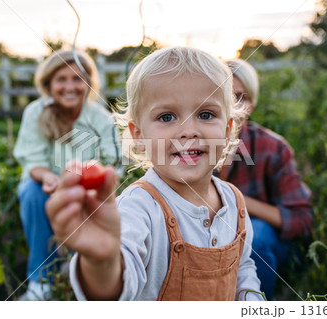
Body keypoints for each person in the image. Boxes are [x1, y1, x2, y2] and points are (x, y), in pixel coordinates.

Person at [45, 46, 264, 301]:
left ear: (228, 130)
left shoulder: (234, 201)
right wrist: (102, 262)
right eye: (167, 116)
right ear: (139, 136)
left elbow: (244, 269)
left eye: (206, 114)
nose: (188, 131)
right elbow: (118, 286)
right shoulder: (139, 207)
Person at [13, 49, 121, 300]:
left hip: (88, 187)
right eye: (62, 79)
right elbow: (33, 160)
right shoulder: (35, 112)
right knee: (31, 192)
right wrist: (48, 178)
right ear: (48, 83)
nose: (70, 86)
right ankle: (40, 283)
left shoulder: (102, 119)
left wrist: (86, 183)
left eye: (77, 79)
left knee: (91, 207)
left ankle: (80, 281)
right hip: (45, 186)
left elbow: (113, 163)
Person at [219, 58, 313, 300]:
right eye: (224, 96)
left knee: (255, 237)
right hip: (215, 241)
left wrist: (236, 198)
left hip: (264, 244)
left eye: (241, 98)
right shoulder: (193, 146)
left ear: (252, 104)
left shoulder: (272, 147)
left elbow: (301, 220)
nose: (233, 106)